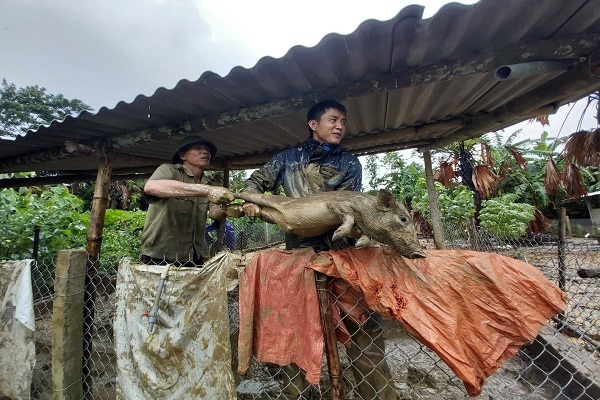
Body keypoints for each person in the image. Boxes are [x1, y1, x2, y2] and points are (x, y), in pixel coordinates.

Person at [241, 100, 397, 399]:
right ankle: (299, 393)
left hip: (344, 257)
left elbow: (347, 207)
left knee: (364, 334)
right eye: (333, 119)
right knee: (296, 333)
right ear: (313, 124)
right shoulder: (287, 159)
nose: (340, 126)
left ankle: (376, 394)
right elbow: (257, 181)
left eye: (343, 121)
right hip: (300, 259)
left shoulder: (349, 163)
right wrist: (250, 199)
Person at [140, 136, 235, 267]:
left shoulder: (209, 183)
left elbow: (214, 212)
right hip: (160, 254)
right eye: (198, 148)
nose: (205, 152)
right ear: (182, 155)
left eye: (207, 150)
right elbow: (151, 187)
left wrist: (229, 210)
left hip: (193, 255)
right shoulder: (169, 170)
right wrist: (205, 190)